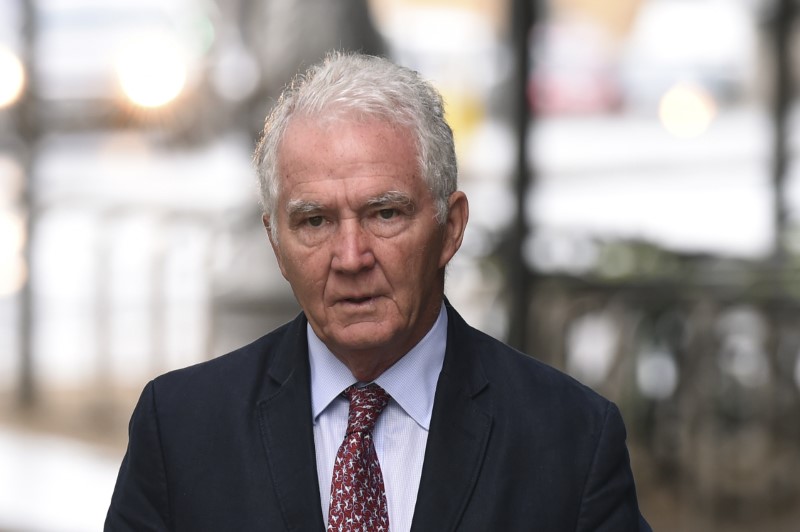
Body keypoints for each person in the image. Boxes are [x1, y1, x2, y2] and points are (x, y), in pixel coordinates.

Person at [105, 52, 651, 531]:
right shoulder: (181, 427)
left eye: (385, 213)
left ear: (451, 227)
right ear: (275, 242)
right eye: (315, 221)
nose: (350, 257)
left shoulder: (569, 438)